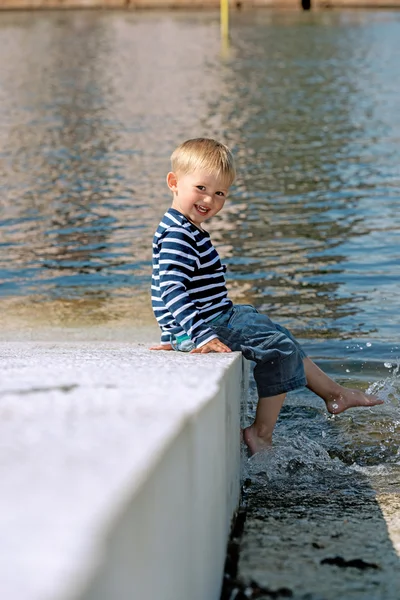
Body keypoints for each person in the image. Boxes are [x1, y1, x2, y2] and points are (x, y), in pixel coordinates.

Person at [150, 138, 383, 454]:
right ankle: (260, 432)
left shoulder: (184, 226)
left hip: (215, 316)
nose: (209, 199)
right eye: (201, 188)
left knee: (279, 333)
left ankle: (334, 393)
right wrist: (194, 334)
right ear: (174, 183)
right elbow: (171, 288)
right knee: (280, 350)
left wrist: (171, 328)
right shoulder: (179, 234)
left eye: (220, 193)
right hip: (207, 325)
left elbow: (172, 286)